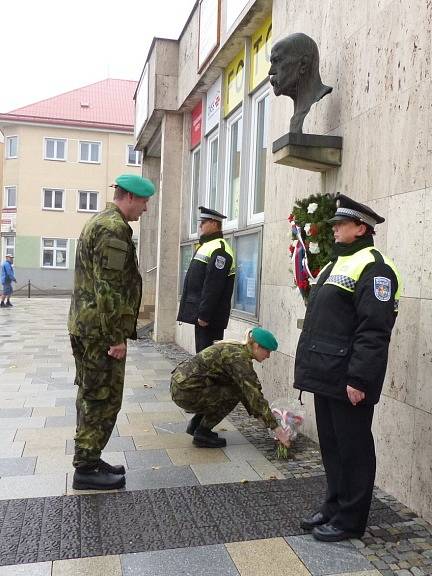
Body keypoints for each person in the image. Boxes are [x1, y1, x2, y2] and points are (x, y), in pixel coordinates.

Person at [294, 194, 401, 542]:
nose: (335, 229)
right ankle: (333, 505)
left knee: (353, 449)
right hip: (327, 372)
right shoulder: (332, 263)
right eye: (335, 224)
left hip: (348, 377)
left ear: (361, 228)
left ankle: (351, 520)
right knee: (332, 446)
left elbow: (374, 330)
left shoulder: (375, 267)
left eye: (341, 224)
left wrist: (359, 378)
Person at [68, 173, 156, 491]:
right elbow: (109, 288)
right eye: (144, 201)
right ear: (130, 197)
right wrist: (115, 337)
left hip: (90, 327)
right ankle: (86, 468)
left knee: (95, 393)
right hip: (99, 332)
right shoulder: (113, 229)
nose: (145, 209)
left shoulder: (103, 221)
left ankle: (90, 458)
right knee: (100, 397)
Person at [171, 327, 290, 449]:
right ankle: (202, 433)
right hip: (186, 392)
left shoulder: (237, 350)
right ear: (256, 346)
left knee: (235, 387)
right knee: (234, 393)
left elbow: (248, 392)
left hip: (184, 387)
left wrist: (259, 415)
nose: (269, 356)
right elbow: (253, 394)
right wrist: (277, 428)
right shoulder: (239, 358)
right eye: (268, 351)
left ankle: (195, 425)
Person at [177, 206, 235, 353]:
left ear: (215, 224)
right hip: (203, 317)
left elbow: (213, 286)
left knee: (208, 360)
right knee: (203, 358)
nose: (200, 225)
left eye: (203, 222)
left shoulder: (220, 249)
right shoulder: (207, 245)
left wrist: (204, 315)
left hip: (210, 319)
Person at [269, 33, 332, 133]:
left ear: (303, 64)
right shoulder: (296, 116)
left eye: (277, 61)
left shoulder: (323, 105)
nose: (271, 71)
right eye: (271, 63)